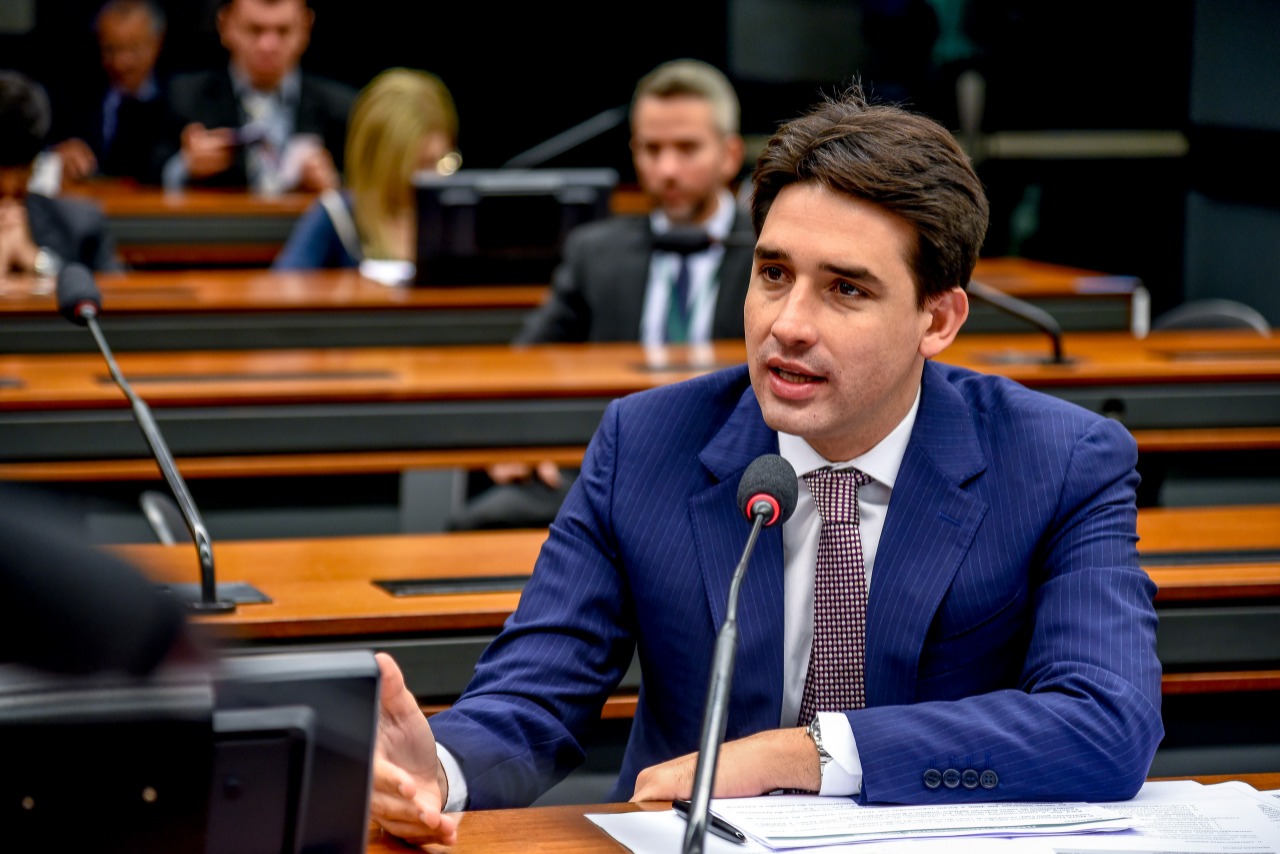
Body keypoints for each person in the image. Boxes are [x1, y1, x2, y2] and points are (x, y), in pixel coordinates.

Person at [370, 86, 1163, 845]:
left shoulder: (1058, 462)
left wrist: (801, 755)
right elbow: (535, 692)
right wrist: (438, 769)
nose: (788, 325)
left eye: (845, 289)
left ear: (938, 318)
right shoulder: (646, 443)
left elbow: (1107, 721)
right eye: (774, 274)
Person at [451, 59, 751, 530]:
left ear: (730, 154)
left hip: (736, 468)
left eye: (687, 148)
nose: (667, 169)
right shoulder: (595, 252)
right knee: (482, 521)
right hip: (611, 467)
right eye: (651, 149)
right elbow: (524, 363)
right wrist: (525, 438)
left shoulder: (771, 253)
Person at [157, 0, 356, 193]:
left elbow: (363, 185)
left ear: (305, 28)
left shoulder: (342, 109)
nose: (267, 46)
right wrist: (186, 165)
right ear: (225, 25)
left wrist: (333, 184)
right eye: (255, 30)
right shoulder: (185, 98)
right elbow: (148, 171)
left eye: (283, 31)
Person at [272, 68, 459, 273]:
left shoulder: (454, 219)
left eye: (436, 162)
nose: (427, 178)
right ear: (378, 160)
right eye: (416, 165)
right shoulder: (338, 215)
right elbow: (282, 286)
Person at [0, 71, 121, 279]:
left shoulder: (82, 227)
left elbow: (118, 293)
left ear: (33, 166)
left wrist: (38, 261)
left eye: (20, 175)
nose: (8, 189)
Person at [48, 0, 168, 183]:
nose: (120, 63)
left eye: (133, 49)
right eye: (110, 50)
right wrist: (56, 156)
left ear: (157, 42)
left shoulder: (179, 99)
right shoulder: (77, 93)